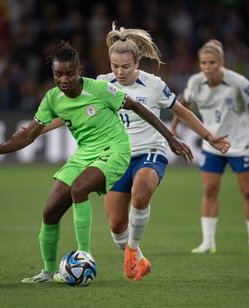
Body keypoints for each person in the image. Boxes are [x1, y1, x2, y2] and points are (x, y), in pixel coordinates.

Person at [0, 42, 193, 283]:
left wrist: (170, 137)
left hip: (115, 150)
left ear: (79, 71)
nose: (63, 79)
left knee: (79, 189)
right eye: (57, 74)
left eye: (69, 73)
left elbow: (137, 107)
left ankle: (84, 255)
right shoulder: (53, 99)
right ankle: (48, 271)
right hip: (85, 154)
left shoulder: (100, 89)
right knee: (50, 211)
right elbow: (28, 134)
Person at [97, 24, 230, 281]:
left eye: (126, 66)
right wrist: (40, 127)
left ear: (138, 62)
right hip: (116, 156)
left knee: (141, 193)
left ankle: (133, 249)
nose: (120, 71)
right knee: (116, 226)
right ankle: (137, 257)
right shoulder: (102, 84)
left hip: (151, 150)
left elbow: (182, 112)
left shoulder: (154, 85)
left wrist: (209, 136)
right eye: (114, 66)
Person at [170, 39, 249, 255]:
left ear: (221, 63)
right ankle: (208, 242)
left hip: (240, 143)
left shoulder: (236, 81)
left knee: (248, 192)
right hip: (212, 144)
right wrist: (173, 126)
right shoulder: (196, 82)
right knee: (209, 190)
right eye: (203, 63)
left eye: (211, 63)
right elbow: (183, 103)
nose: (207, 67)